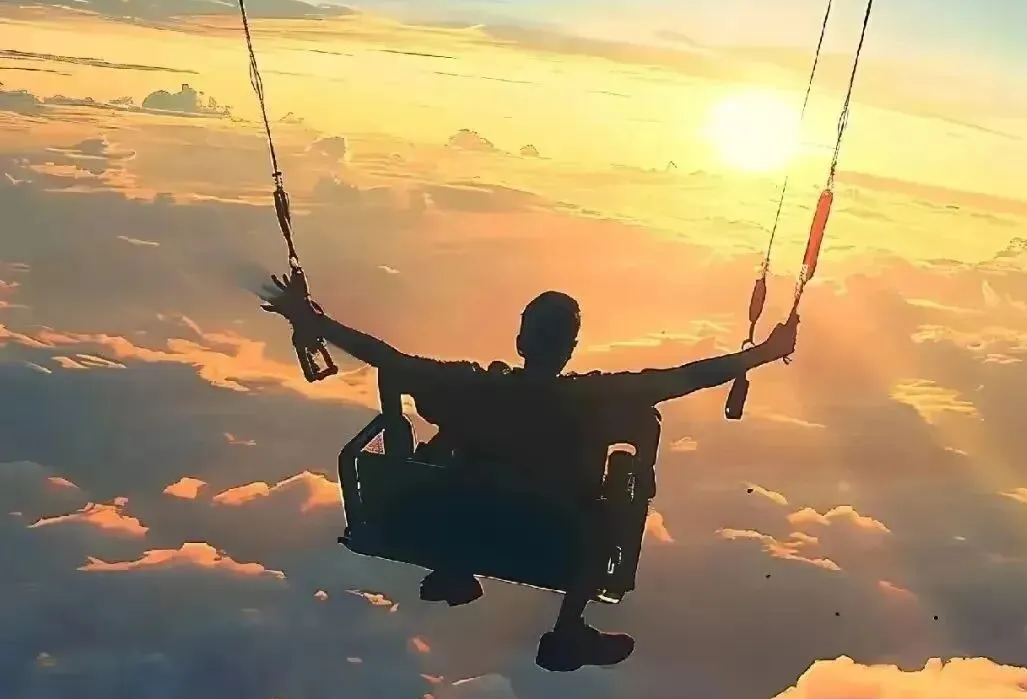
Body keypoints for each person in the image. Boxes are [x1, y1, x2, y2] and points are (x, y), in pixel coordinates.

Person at [261, 273, 798, 672]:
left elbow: (389, 360)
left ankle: (454, 565)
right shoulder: (592, 400)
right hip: (553, 542)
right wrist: (765, 353)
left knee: (449, 453)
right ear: (569, 349)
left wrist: (310, 320)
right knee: (613, 494)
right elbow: (683, 377)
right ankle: (567, 631)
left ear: (521, 342)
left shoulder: (473, 389)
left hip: (456, 523)